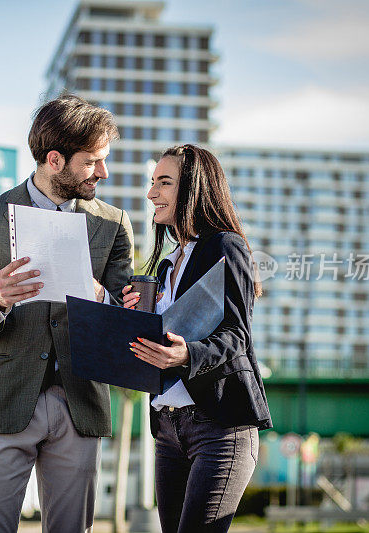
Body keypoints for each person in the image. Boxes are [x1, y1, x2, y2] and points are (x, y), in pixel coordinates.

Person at [0, 94, 134, 533]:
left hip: (80, 404)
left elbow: (127, 329)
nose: (103, 173)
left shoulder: (113, 225)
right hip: (3, 403)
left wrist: (102, 299)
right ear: (55, 160)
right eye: (92, 162)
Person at [123, 144, 272, 533]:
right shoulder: (166, 263)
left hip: (220, 428)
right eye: (152, 183)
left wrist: (187, 354)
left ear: (193, 188)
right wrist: (127, 315)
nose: (151, 193)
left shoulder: (225, 246)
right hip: (168, 429)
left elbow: (237, 336)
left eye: (164, 182)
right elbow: (156, 342)